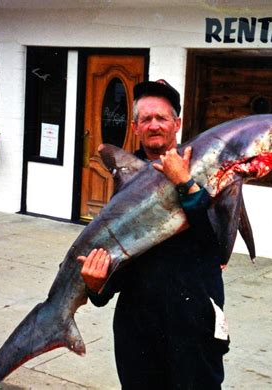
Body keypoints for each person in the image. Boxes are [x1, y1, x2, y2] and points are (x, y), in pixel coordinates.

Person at [77, 80, 229, 389]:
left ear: (177, 123)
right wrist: (96, 287)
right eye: (146, 119)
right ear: (134, 127)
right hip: (139, 332)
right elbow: (116, 274)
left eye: (161, 117)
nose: (154, 125)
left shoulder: (209, 172)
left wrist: (185, 183)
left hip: (194, 327)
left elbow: (216, 246)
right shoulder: (127, 187)